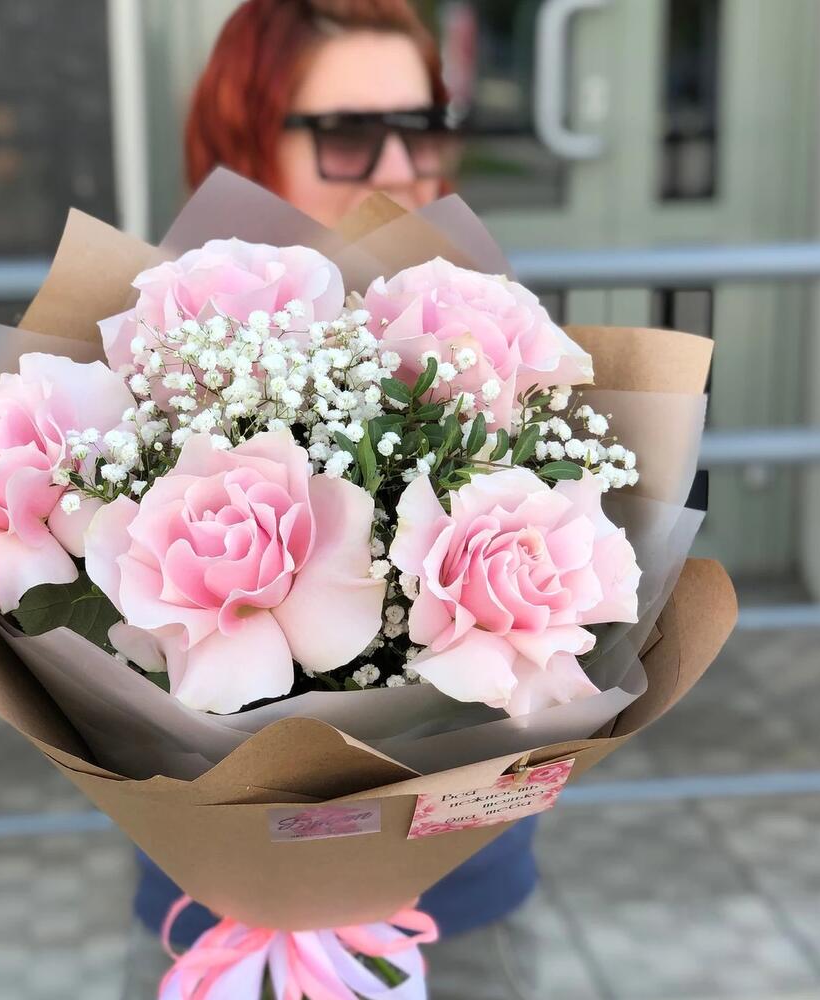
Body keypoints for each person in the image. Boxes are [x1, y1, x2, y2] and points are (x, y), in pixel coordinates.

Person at [123, 2, 540, 997]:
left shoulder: (485, 336)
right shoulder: (149, 357)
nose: (399, 168)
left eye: (421, 126)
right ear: (243, 139)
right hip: (225, 911)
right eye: (348, 133)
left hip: (452, 893)